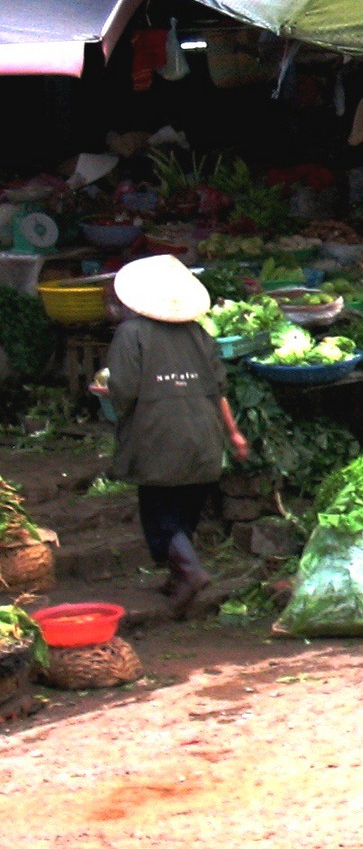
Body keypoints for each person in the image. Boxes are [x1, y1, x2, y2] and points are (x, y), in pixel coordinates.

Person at [103, 255, 250, 618]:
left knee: (159, 511)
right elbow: (219, 390)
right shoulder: (199, 333)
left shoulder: (131, 333)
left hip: (157, 433)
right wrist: (234, 435)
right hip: (203, 432)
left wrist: (110, 397)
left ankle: (191, 572)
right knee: (186, 506)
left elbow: (123, 390)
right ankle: (178, 575)